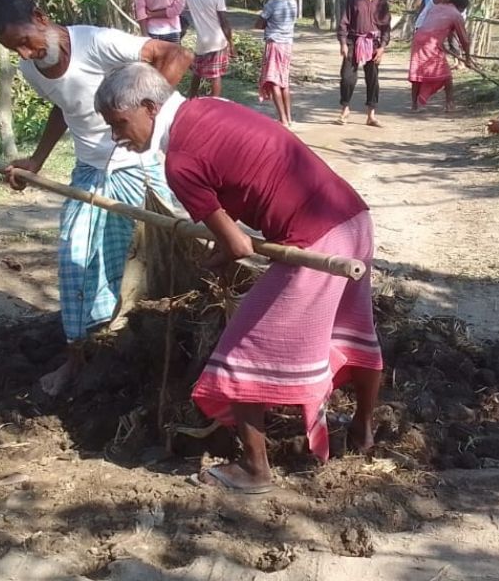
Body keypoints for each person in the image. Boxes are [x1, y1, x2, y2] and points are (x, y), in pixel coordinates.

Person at [95, 63, 383, 495]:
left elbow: (239, 247)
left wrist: (211, 264)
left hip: (317, 245)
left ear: (150, 108)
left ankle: (255, 469)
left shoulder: (180, 163)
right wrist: (224, 247)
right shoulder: (208, 106)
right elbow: (235, 218)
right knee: (354, 330)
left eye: (120, 123)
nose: (118, 135)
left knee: (237, 354)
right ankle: (363, 431)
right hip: (353, 219)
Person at [0, 0, 192, 396]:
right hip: (91, 174)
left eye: (26, 41)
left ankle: (161, 355)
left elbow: (175, 55)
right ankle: (78, 358)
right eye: (15, 50)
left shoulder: (96, 43)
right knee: (76, 257)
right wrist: (36, 161)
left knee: (158, 260)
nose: (25, 54)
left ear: (41, 16)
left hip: (142, 169)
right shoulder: (33, 70)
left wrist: (143, 116)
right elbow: (63, 106)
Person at [337, 0, 391, 127]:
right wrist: (343, 43)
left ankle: (371, 115)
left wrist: (382, 47)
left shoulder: (382, 3)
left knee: (372, 78)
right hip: (353, 41)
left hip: (374, 43)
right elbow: (344, 22)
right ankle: (345, 109)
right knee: (347, 77)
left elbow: (386, 27)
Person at [409, 0, 472, 113]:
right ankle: (450, 104)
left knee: (418, 73)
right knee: (447, 76)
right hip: (430, 44)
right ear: (461, 8)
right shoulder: (456, 15)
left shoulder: (437, 7)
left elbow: (433, 26)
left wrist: (440, 43)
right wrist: (468, 59)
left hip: (418, 39)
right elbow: (464, 40)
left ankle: (414, 105)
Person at [186, 0, 234, 98]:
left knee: (197, 72)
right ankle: (215, 104)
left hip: (202, 41)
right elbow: (223, 21)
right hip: (217, 40)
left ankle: (191, 99)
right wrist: (231, 43)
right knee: (216, 75)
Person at [255, 0, 297, 127]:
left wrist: (268, 23)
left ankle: (282, 119)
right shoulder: (293, 2)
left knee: (273, 81)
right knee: (284, 82)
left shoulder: (272, 3)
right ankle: (289, 117)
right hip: (287, 45)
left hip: (274, 44)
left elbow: (258, 24)